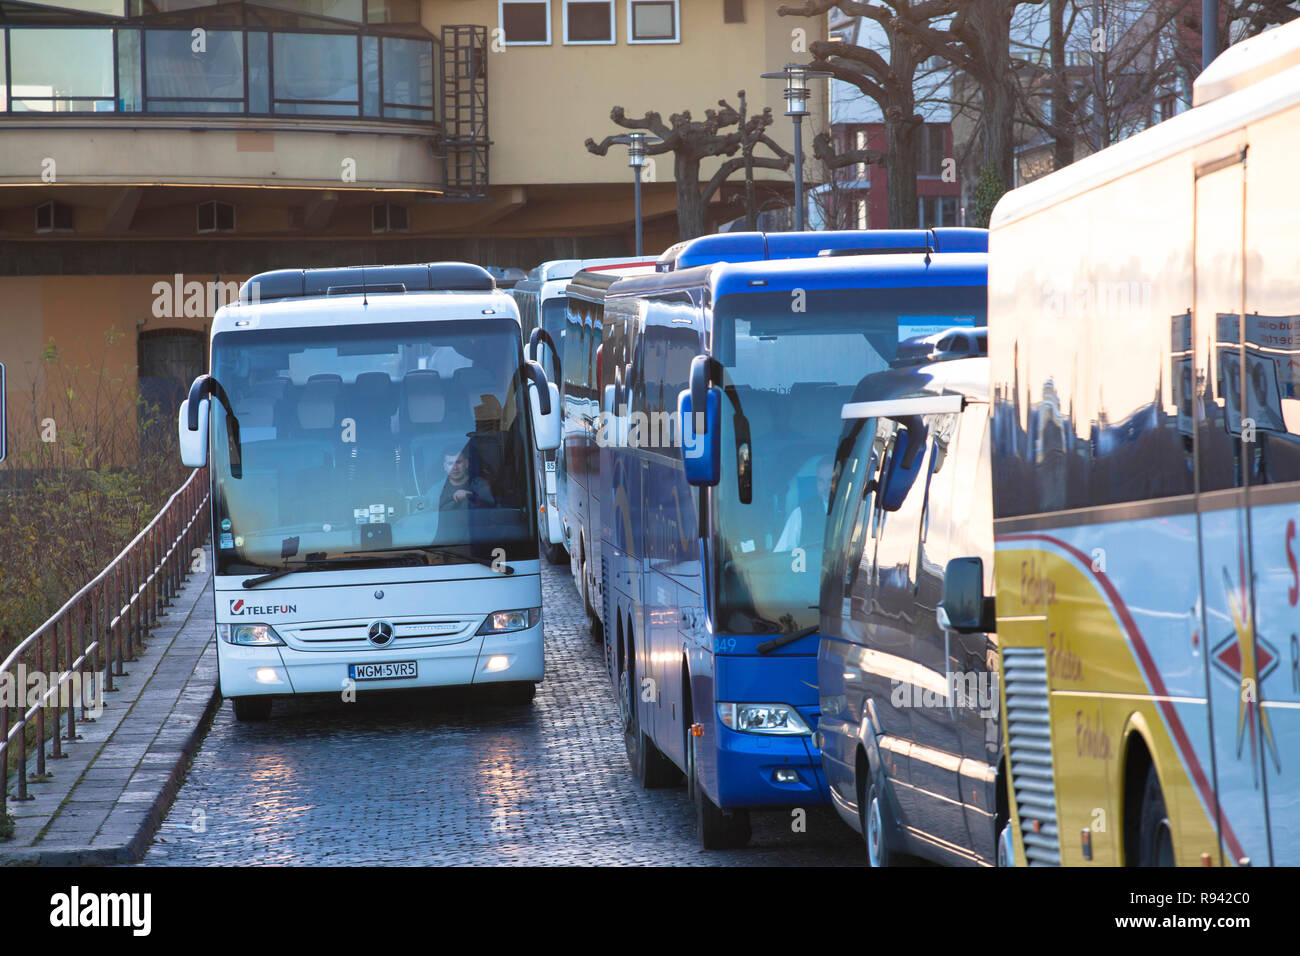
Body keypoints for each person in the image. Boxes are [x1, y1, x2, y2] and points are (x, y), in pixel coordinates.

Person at [775, 456, 833, 551]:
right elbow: (782, 553)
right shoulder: (801, 512)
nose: (826, 487)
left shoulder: (852, 509)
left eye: (830, 480)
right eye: (821, 481)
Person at [438, 443, 495, 510]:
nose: (455, 467)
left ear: (466, 463)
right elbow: (429, 512)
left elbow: (491, 509)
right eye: (450, 463)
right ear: (445, 467)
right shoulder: (437, 489)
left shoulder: (480, 485)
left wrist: (470, 496)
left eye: (458, 462)